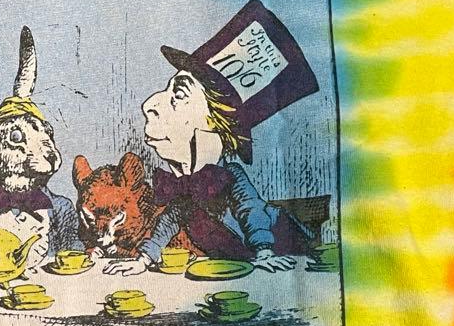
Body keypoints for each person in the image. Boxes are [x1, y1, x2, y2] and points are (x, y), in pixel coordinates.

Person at [106, 53, 309, 277]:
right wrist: (143, 260)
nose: (149, 105)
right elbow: (168, 222)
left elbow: (251, 209)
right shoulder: (186, 188)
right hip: (241, 267)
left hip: (284, 253)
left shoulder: (229, 175)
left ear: (213, 122)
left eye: (179, 95)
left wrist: (264, 251)